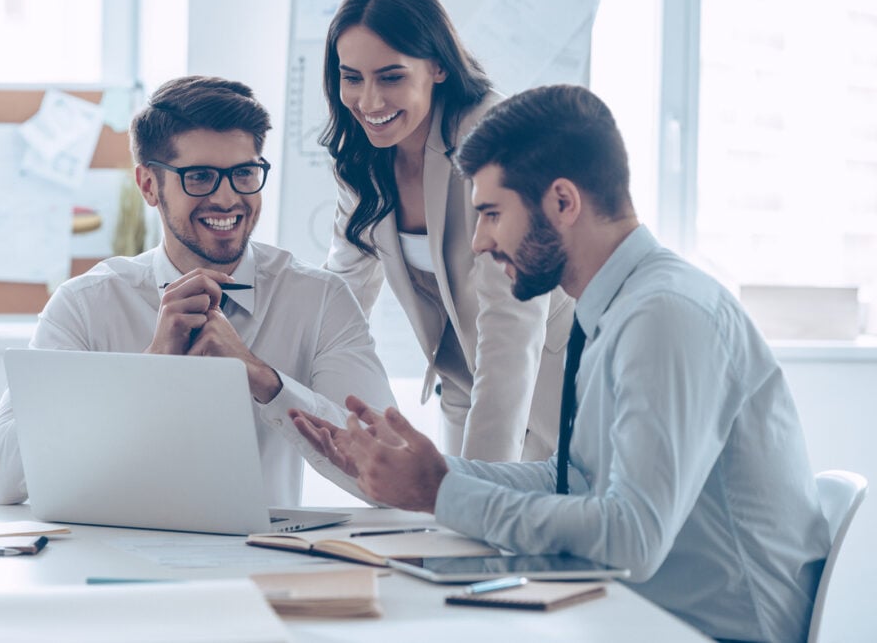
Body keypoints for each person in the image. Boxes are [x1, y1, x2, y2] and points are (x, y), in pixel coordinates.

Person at [292, 84, 830, 642]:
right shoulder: (617, 306)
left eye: (493, 214)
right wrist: (425, 472)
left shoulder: (664, 316)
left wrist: (440, 493)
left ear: (563, 203)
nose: (479, 242)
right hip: (640, 616)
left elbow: (632, 539)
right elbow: (572, 481)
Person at [0, 75, 396, 507]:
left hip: (263, 566)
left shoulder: (319, 300)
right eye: (199, 177)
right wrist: (147, 372)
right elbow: (2, 477)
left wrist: (262, 378)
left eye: (244, 173)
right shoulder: (87, 305)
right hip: (112, 562)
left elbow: (393, 472)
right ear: (147, 186)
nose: (227, 197)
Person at [320, 0, 573, 462]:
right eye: (352, 77)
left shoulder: (497, 141)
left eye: (390, 76)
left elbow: (511, 325)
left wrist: (480, 493)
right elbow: (340, 303)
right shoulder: (361, 162)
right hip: (464, 388)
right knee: (452, 531)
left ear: (436, 66)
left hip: (559, 387)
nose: (368, 102)